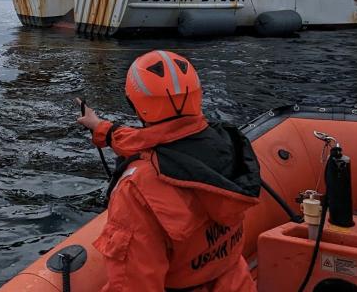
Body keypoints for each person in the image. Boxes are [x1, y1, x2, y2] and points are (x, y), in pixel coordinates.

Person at [77, 51, 260, 292]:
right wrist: (102, 129)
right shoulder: (228, 143)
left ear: (136, 105)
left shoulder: (138, 189)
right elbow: (165, 136)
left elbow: (134, 284)